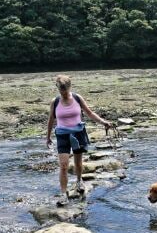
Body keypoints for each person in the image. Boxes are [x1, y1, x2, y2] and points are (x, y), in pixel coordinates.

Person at [46, 75, 112, 206]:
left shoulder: (77, 98)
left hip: (78, 133)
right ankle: (64, 194)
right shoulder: (55, 101)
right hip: (62, 135)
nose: (63, 93)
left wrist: (103, 122)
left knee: (78, 162)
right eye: (61, 91)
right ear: (58, 89)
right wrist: (47, 137)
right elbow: (51, 120)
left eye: (65, 90)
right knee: (63, 165)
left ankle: (78, 180)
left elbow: (89, 113)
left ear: (70, 87)